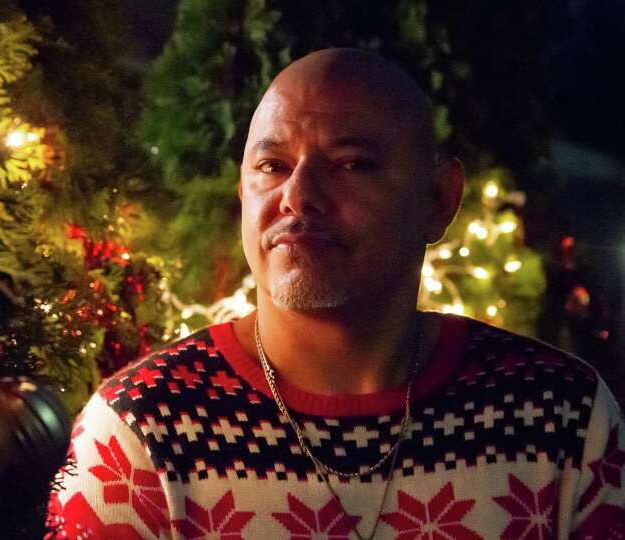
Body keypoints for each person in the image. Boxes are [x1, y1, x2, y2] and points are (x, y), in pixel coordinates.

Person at [47, 48, 625, 539]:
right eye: (272, 165)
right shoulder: (141, 431)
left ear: (439, 199)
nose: (298, 197)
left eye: (353, 164)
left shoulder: (561, 419)